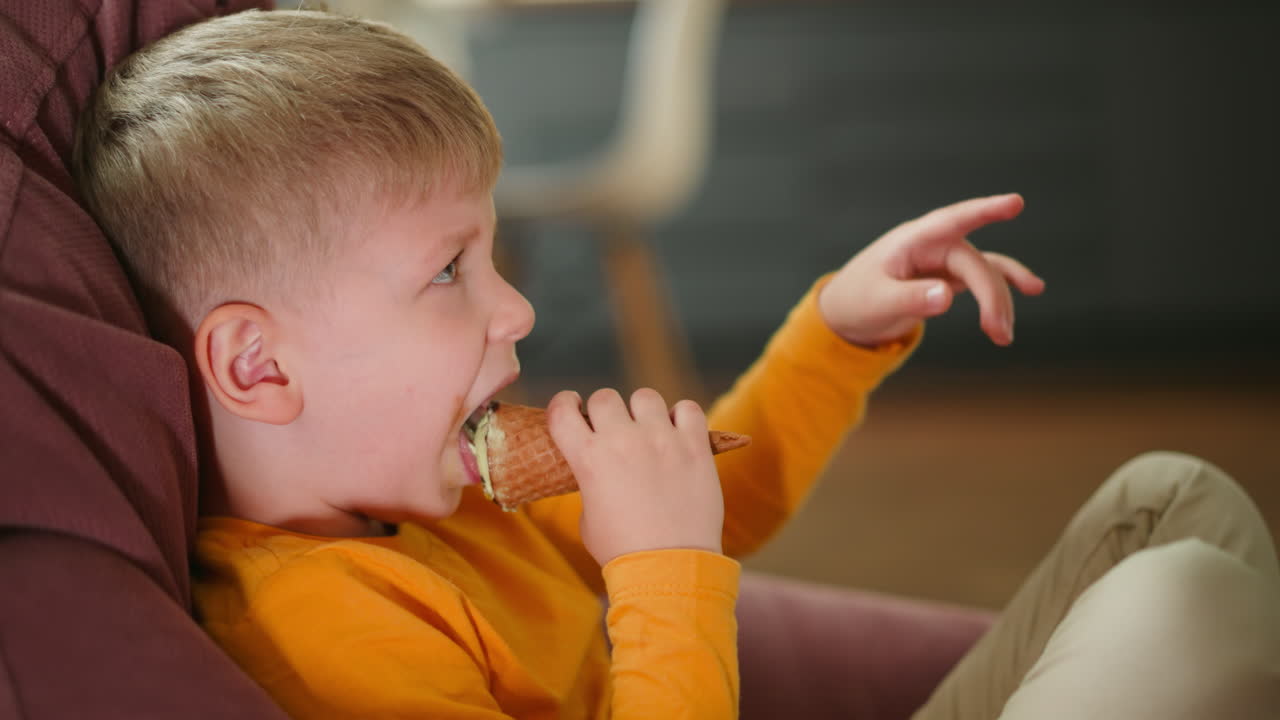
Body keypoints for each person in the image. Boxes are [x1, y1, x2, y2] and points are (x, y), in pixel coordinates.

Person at [71, 8, 1279, 719]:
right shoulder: (326, 635)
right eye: (448, 272)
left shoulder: (443, 493)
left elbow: (727, 501)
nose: (517, 310)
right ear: (259, 367)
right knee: (1183, 603)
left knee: (1171, 502)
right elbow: (679, 577)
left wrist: (835, 333)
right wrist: (657, 572)